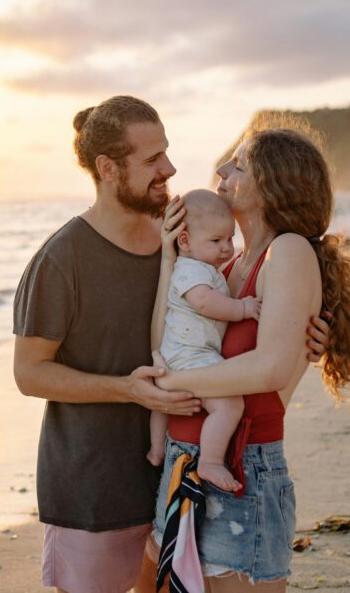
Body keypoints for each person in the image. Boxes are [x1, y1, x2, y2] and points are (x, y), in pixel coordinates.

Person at [13, 97, 330, 593]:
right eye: (153, 160)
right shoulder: (61, 259)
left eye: (168, 152)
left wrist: (303, 343)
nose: (172, 169)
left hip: (178, 471)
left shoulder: (191, 239)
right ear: (108, 169)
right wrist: (132, 389)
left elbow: (249, 339)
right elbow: (29, 373)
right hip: (98, 483)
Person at [138, 118, 350, 593]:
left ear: (272, 185)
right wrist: (171, 261)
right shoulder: (226, 264)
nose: (225, 166)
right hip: (185, 459)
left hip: (241, 468)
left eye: (242, 162)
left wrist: (164, 385)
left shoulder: (287, 252)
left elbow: (269, 368)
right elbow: (166, 342)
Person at [147, 189, 259, 494]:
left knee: (161, 404)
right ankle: (210, 461)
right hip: (192, 355)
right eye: (216, 241)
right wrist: (244, 308)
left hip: (177, 355)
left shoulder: (204, 268)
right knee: (229, 405)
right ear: (184, 241)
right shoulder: (191, 270)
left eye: (229, 239)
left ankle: (157, 450)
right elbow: (206, 303)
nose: (226, 248)